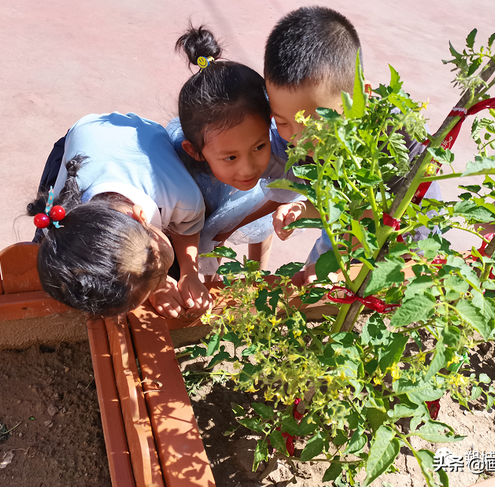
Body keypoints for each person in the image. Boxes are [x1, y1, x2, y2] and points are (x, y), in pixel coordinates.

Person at [263, 6, 442, 282]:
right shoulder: (301, 139)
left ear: (360, 97)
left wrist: (337, 266)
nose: (298, 137)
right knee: (316, 282)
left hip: (408, 231)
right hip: (349, 224)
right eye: (283, 121)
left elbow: (379, 215)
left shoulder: (397, 135)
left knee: (402, 287)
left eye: (314, 122)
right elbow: (335, 203)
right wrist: (302, 208)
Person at [28, 112, 212, 318]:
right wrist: (152, 285)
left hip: (141, 132)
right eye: (160, 280)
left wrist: (189, 273)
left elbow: (188, 227)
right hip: (89, 139)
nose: (162, 282)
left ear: (141, 217)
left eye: (159, 280)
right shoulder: (65, 217)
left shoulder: (184, 197)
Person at [168, 25, 304, 276]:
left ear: (270, 121)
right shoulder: (185, 169)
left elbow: (276, 200)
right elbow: (194, 228)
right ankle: (209, 280)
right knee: (209, 235)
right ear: (195, 151)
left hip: (266, 186)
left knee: (260, 226)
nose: (248, 168)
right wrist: (217, 237)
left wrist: (230, 228)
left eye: (258, 146)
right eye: (231, 157)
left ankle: (257, 276)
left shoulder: (284, 156)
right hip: (209, 181)